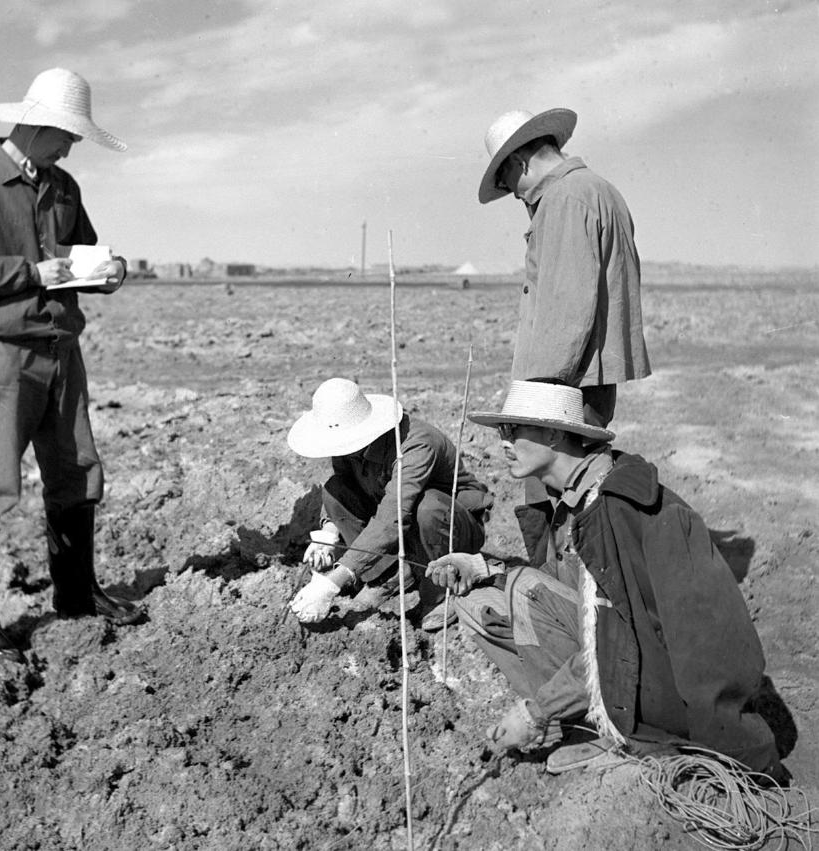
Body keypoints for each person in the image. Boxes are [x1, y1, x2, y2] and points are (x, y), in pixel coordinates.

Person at [427, 380, 786, 781]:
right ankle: (583, 718)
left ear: (554, 433)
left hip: (663, 696)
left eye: (513, 431)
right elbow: (570, 590)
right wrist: (483, 567)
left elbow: (647, 636)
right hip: (620, 662)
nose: (503, 443)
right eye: (501, 432)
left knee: (523, 590)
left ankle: (615, 733)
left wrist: (535, 714)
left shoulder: (620, 510)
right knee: (475, 603)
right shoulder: (571, 497)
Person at [0, 68, 142, 662]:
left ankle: (76, 594)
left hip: (61, 351)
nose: (73, 146)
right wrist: (29, 274)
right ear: (40, 125)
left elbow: (83, 255)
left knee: (76, 467)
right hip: (5, 354)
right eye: (69, 135)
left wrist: (108, 271)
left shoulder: (65, 186)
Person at [478, 108, 651, 431]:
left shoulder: (565, 198)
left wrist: (539, 391)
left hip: (564, 385)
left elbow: (567, 306)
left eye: (505, 182)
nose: (514, 194)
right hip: (589, 378)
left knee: (549, 474)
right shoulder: (599, 189)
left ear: (519, 161)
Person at [286, 378, 493, 630]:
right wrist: (328, 532)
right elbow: (344, 484)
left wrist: (334, 580)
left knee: (427, 507)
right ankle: (387, 575)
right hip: (402, 520)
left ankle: (440, 591)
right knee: (334, 490)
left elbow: (393, 516)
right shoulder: (346, 445)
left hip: (449, 527)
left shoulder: (415, 444)